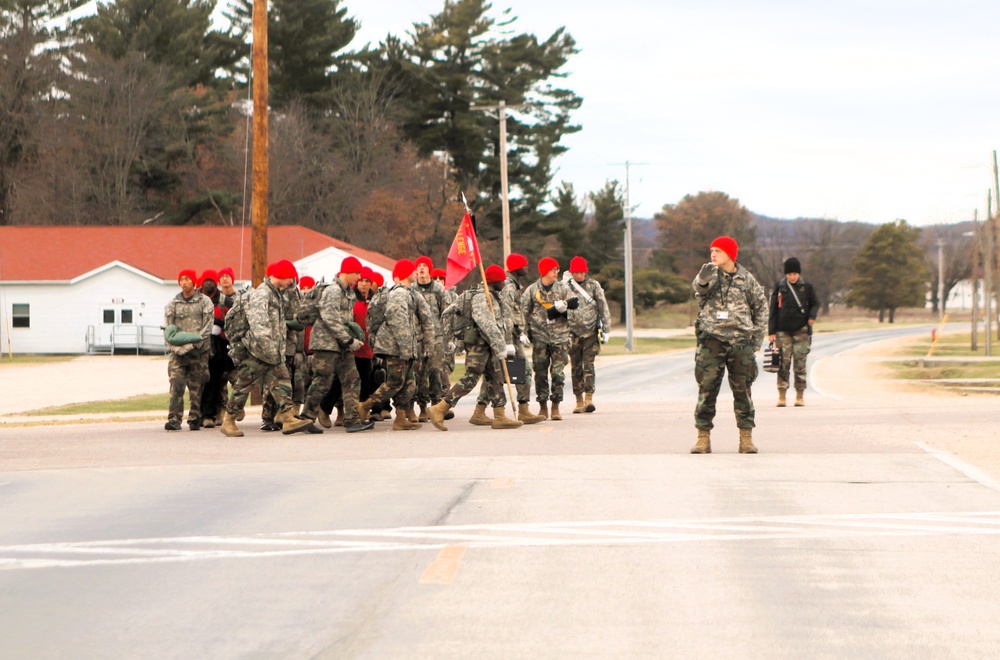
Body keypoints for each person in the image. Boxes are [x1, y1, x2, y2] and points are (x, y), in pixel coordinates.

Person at [690, 236, 768, 454]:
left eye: (718, 251)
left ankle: (746, 438)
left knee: (743, 390)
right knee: (707, 389)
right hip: (712, 339)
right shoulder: (709, 274)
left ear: (730, 254)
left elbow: (761, 307)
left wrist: (756, 340)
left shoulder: (747, 279)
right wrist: (702, 279)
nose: (713, 254)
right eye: (711, 250)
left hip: (740, 341)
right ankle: (702, 438)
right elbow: (699, 289)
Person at [219, 260, 312, 437]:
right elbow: (258, 325)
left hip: (272, 352)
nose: (292, 282)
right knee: (243, 385)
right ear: (282, 275)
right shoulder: (262, 294)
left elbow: (294, 312)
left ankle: (287, 417)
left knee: (283, 381)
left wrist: (292, 291)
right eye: (290, 278)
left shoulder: (276, 293)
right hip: (258, 351)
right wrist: (269, 349)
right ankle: (229, 420)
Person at [428, 265, 522, 431]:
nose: (505, 283)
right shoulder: (481, 297)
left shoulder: (491, 295)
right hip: (478, 345)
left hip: (487, 346)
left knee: (495, 377)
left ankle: (499, 415)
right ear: (494, 281)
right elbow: (485, 322)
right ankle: (440, 408)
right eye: (502, 280)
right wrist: (500, 345)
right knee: (471, 377)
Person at [357, 259, 435, 430]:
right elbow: (397, 320)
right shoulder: (399, 293)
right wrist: (406, 347)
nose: (416, 272)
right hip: (395, 347)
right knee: (395, 381)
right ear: (404, 273)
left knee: (408, 383)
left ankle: (400, 417)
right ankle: (365, 406)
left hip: (403, 346)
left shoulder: (408, 292)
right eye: (412, 270)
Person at [299, 257, 374, 434]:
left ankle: (352, 419)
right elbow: (330, 319)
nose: (358, 277)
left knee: (351, 378)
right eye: (356, 273)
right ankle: (306, 419)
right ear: (346, 271)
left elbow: (344, 319)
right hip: (327, 344)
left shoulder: (347, 291)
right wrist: (348, 340)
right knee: (322, 381)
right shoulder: (333, 291)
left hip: (341, 345)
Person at [472, 253, 544, 425]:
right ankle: (522, 409)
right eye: (524, 265)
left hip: (511, 334)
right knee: (520, 371)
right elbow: (506, 312)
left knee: (498, 373)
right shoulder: (509, 286)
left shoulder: (513, 284)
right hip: (508, 335)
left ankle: (480, 409)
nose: (527, 268)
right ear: (516, 268)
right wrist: (514, 336)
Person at [520, 256, 577, 420]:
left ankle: (556, 405)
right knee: (541, 373)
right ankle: (543, 405)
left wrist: (564, 309)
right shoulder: (532, 290)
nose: (556, 272)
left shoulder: (563, 289)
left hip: (560, 337)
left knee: (558, 373)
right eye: (553, 269)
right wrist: (522, 332)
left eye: (557, 269)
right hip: (540, 337)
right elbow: (523, 312)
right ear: (545, 271)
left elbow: (575, 312)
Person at [163, 269, 214, 431]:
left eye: (187, 279)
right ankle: (174, 418)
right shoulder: (173, 304)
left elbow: (207, 328)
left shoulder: (204, 302)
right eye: (181, 279)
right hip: (178, 354)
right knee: (176, 385)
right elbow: (168, 329)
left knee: (196, 387)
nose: (184, 282)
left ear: (194, 281)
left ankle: (194, 418)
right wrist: (175, 347)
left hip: (198, 352)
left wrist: (192, 345)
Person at [768, 257, 821, 407]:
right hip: (782, 331)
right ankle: (782, 395)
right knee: (782, 364)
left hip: (801, 330)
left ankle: (799, 395)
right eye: (789, 274)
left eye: (795, 274)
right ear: (785, 274)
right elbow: (772, 309)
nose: (792, 277)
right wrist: (771, 331)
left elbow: (816, 303)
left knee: (800, 364)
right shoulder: (779, 287)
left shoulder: (807, 287)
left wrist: (812, 316)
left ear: (799, 273)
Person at [565, 256, 612, 414]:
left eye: (582, 272)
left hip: (591, 331)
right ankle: (578, 400)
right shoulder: (566, 286)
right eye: (576, 273)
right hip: (572, 332)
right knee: (575, 367)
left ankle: (589, 398)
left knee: (589, 366)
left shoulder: (593, 285)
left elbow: (602, 306)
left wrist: (606, 328)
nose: (579, 276)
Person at [411, 256, 448, 421]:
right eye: (419, 265)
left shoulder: (438, 289)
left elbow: (445, 313)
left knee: (434, 371)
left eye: (425, 265)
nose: (421, 268)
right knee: (419, 372)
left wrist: (447, 336)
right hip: (418, 337)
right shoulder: (412, 289)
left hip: (436, 337)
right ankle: (422, 406)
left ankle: (436, 403)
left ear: (430, 269)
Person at [197, 269, 229, 428]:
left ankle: (212, 414)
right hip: (198, 346)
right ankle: (198, 414)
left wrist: (219, 326)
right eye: (205, 280)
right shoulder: (195, 299)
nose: (208, 283)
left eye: (211, 280)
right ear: (201, 283)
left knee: (215, 382)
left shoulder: (224, 300)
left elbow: (232, 322)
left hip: (218, 347)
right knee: (199, 382)